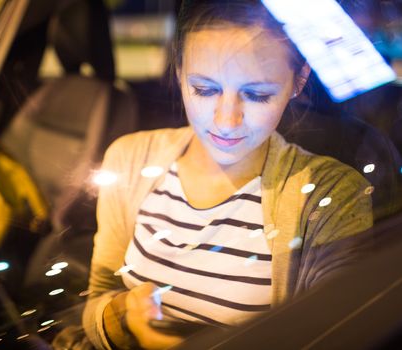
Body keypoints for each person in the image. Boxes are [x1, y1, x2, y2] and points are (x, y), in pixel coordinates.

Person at [82, 1, 373, 349]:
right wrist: (122, 316)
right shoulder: (130, 158)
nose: (225, 120)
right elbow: (99, 292)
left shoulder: (331, 196)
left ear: (299, 81)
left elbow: (334, 334)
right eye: (205, 89)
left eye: (256, 95)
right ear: (178, 72)